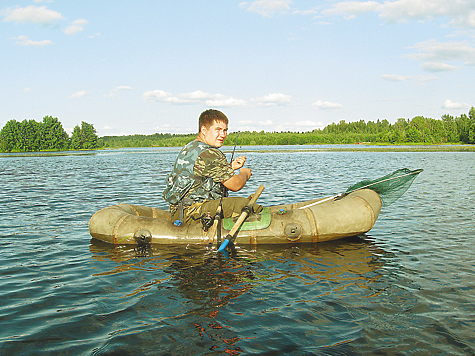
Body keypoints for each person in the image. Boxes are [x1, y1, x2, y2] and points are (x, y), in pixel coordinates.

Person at [162, 109, 262, 225]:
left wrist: (231, 167)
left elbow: (202, 178)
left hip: (179, 211)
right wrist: (244, 173)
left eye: (225, 130)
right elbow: (236, 185)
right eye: (218, 130)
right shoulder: (209, 154)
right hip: (191, 212)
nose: (223, 135)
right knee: (242, 204)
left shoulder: (191, 147)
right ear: (204, 129)